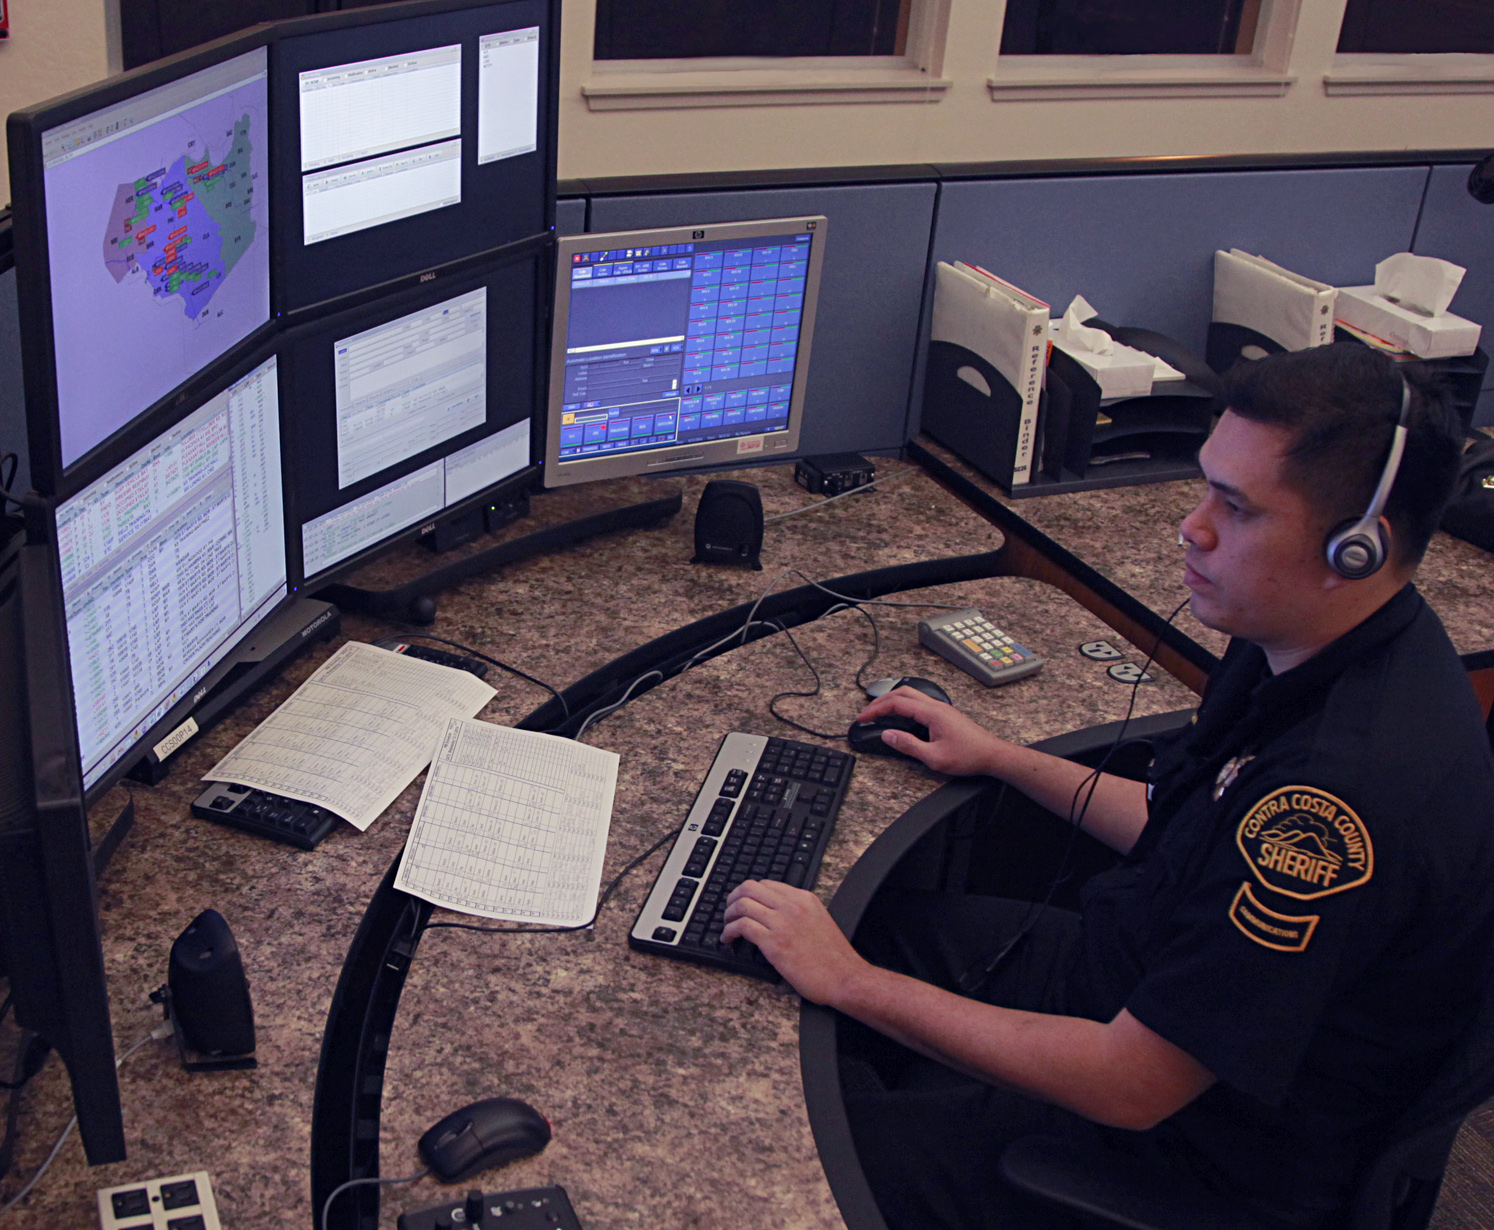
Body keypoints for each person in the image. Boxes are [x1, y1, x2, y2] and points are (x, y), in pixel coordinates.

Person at [722, 343, 1494, 1229]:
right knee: (850, 927)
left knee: (783, 1133)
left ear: (1357, 550)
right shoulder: (1298, 635)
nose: (1192, 528)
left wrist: (849, 982)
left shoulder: (1337, 798)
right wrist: (1002, 755)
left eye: (1236, 508)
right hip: (1131, 979)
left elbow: (1134, 1086)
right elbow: (1187, 823)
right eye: (1206, 487)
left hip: (1193, 1151)